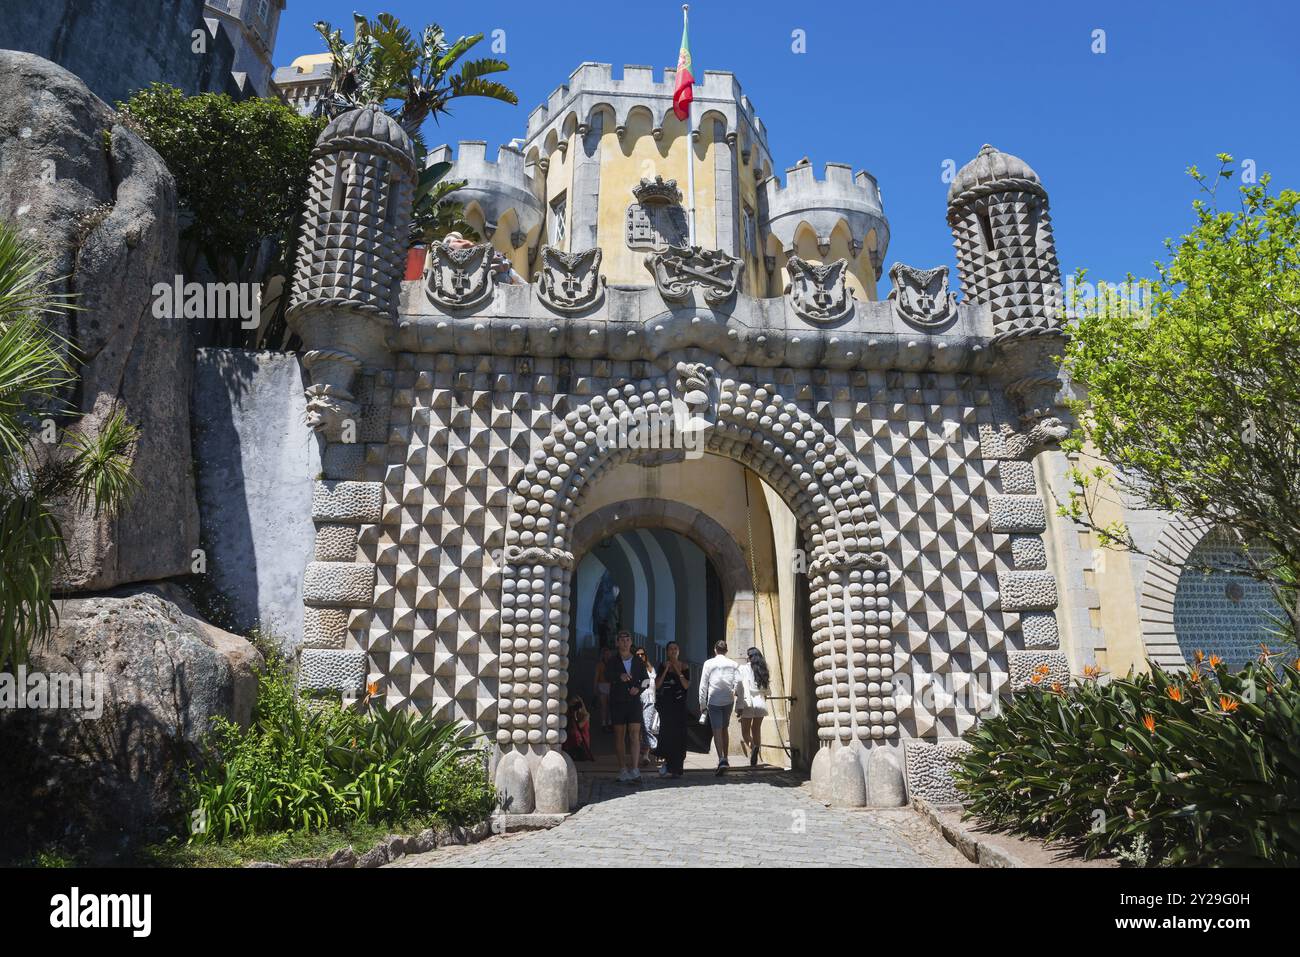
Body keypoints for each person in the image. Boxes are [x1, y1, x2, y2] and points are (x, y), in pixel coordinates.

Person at [609, 631, 648, 784]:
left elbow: (646, 680)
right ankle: (623, 769)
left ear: (631, 642)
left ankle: (635, 769)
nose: (625, 643)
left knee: (635, 735)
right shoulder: (612, 661)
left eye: (627, 640)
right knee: (619, 735)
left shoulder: (638, 662)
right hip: (618, 701)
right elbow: (606, 675)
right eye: (622, 640)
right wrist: (619, 677)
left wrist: (638, 688)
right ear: (617, 642)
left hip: (633, 702)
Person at [698, 640, 740, 775]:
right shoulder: (733, 664)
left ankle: (721, 758)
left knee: (716, 729)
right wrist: (735, 693)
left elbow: (703, 684)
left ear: (715, 650)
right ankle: (726, 757)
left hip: (714, 700)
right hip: (728, 699)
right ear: (726, 651)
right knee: (724, 728)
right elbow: (738, 682)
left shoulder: (709, 664)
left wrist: (702, 704)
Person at [655, 641, 690, 778]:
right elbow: (657, 685)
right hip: (666, 706)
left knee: (679, 736)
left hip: (679, 706)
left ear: (679, 651)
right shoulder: (662, 666)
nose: (673, 651)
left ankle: (678, 767)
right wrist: (665, 670)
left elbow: (686, 685)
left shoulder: (685, 666)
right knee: (667, 735)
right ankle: (668, 764)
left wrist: (677, 669)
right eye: (670, 649)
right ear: (667, 652)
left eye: (675, 648)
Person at [736, 646, 771, 767]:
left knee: (745, 732)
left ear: (751, 657)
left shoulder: (743, 668)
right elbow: (766, 690)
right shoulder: (763, 669)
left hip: (749, 702)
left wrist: (739, 705)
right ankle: (756, 755)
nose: (747, 657)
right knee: (756, 730)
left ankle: (753, 747)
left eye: (748, 655)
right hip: (761, 702)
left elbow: (739, 687)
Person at [635, 646, 659, 766]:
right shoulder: (634, 668)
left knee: (647, 726)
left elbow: (652, 683)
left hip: (650, 700)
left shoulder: (651, 668)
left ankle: (648, 752)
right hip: (638, 700)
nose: (640, 656)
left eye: (642, 654)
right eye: (637, 654)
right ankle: (643, 753)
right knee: (638, 729)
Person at [563, 696, 594, 762]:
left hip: (582, 742)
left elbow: (578, 727)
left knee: (575, 733)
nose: (575, 706)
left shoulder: (586, 715)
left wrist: (575, 715)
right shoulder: (569, 714)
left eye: (576, 703)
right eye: (573, 703)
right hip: (573, 740)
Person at [594, 646, 613, 733]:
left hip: (611, 685)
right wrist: (595, 688)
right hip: (602, 685)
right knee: (604, 707)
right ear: (603, 655)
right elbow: (596, 677)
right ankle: (603, 724)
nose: (607, 655)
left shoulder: (612, 663)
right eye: (605, 654)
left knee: (610, 706)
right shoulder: (600, 664)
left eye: (608, 653)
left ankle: (609, 723)